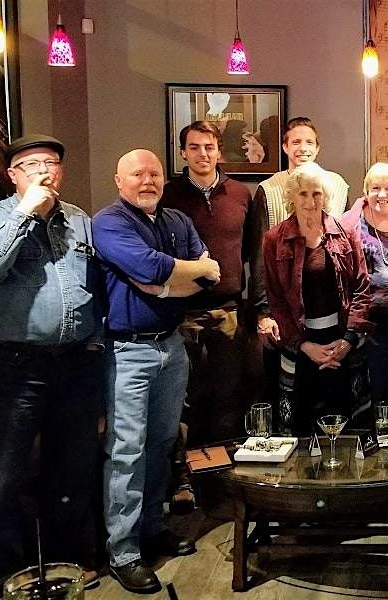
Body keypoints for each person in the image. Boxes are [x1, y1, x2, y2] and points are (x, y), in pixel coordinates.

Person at [0, 135, 105, 590]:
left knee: (72, 470)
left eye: (51, 163)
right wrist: (25, 213)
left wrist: (95, 341)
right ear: (13, 175)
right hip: (12, 368)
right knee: (4, 476)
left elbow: (96, 284)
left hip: (75, 365)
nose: (44, 171)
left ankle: (66, 563)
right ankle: (3, 574)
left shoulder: (79, 220)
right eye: (32, 164)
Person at [93, 149, 220, 594]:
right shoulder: (109, 223)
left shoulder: (177, 221)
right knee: (127, 451)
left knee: (163, 443)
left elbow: (207, 278)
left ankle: (152, 529)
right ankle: (123, 552)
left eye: (154, 174)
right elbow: (149, 266)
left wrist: (165, 284)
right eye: (137, 174)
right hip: (127, 352)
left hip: (171, 346)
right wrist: (182, 271)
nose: (147, 181)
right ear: (118, 180)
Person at [159, 121, 265, 509]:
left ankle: (224, 482)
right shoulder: (168, 195)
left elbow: (255, 254)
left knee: (228, 398)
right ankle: (184, 481)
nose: (202, 154)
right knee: (184, 401)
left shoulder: (240, 194)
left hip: (228, 311)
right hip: (181, 313)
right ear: (182, 153)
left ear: (219, 150)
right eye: (194, 147)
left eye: (209, 147)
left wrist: (259, 308)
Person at [261, 163, 372, 437]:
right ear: (291, 196)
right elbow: (276, 300)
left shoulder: (346, 233)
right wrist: (304, 345)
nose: (310, 202)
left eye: (316, 193)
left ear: (326, 196)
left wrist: (347, 341)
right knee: (300, 425)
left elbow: (361, 287)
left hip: (341, 340)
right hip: (299, 342)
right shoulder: (274, 240)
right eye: (303, 194)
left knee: (346, 421)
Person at [340, 162, 388, 424]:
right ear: (365, 191)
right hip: (368, 322)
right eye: (375, 188)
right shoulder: (349, 224)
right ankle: (380, 437)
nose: (382, 194)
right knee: (377, 387)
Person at [255, 117, 351, 227]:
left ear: (317, 148)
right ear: (285, 147)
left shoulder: (338, 186)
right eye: (296, 142)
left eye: (309, 142)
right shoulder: (268, 189)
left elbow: (347, 232)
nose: (303, 148)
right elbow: (259, 237)